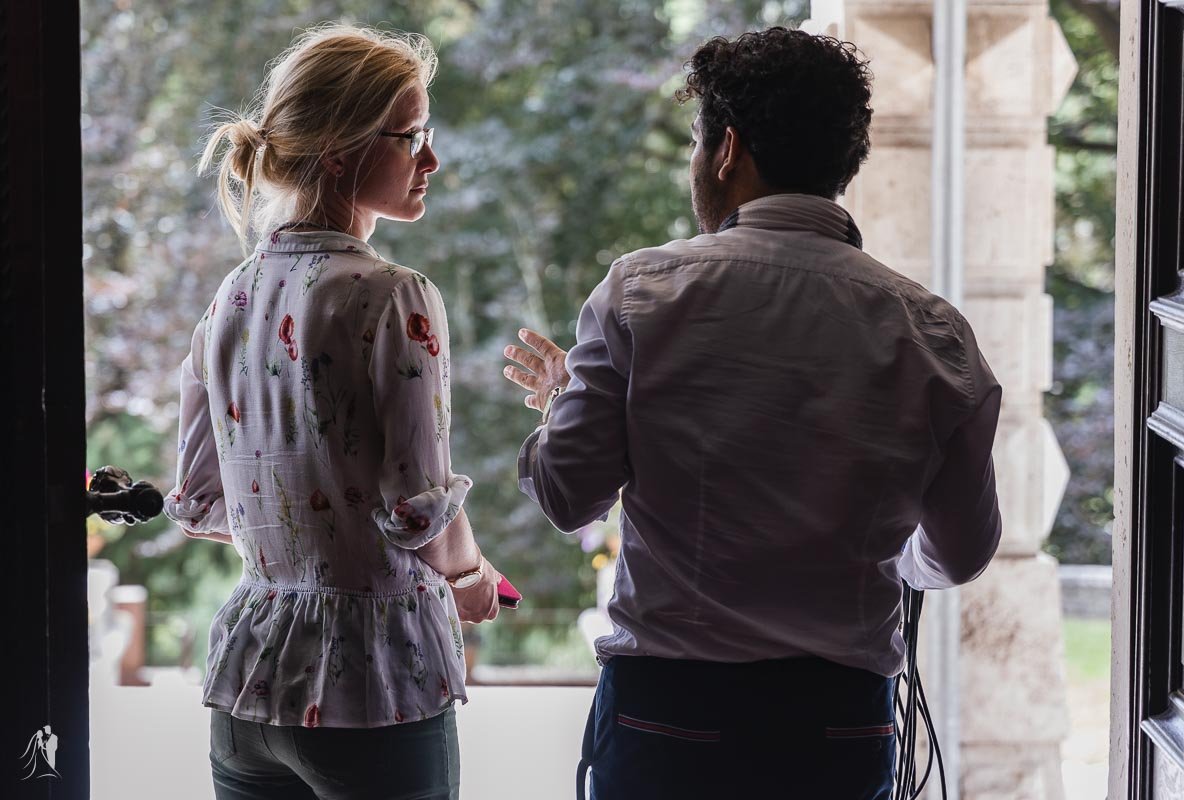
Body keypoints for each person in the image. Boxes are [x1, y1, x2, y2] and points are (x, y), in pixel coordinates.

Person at [502, 27, 1002, 799]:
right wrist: (881, 554)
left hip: (670, 717)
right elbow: (961, 552)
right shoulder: (934, 332)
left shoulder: (642, 294)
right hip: (839, 723)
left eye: (696, 147)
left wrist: (562, 399)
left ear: (727, 149)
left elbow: (569, 496)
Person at [165, 24, 500, 800]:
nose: (432, 160)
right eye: (412, 136)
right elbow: (418, 509)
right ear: (344, 150)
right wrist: (473, 574)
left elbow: (200, 497)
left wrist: (313, 536)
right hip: (373, 685)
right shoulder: (395, 295)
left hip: (252, 685)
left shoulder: (231, 299)